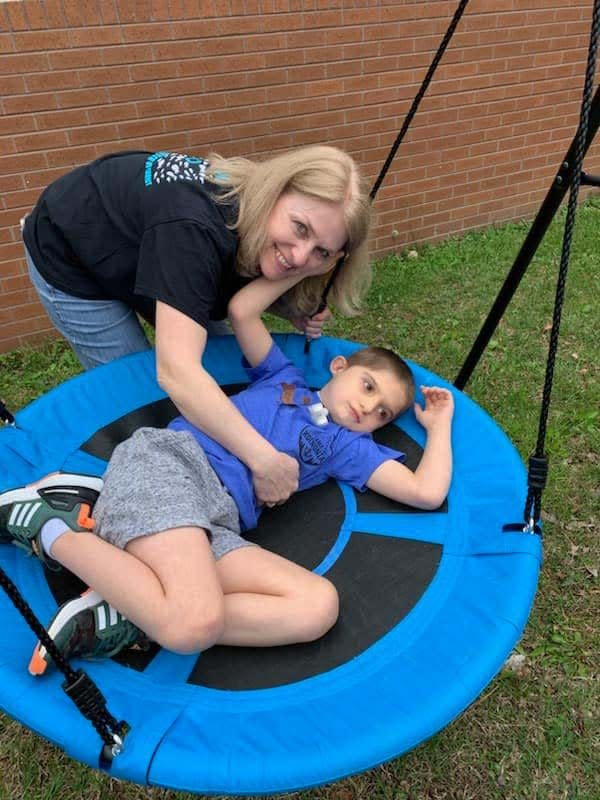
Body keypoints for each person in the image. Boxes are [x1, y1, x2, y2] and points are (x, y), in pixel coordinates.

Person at [0, 268, 455, 674]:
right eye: (368, 386)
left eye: (382, 413)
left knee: (317, 607)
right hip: (171, 468)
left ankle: (135, 611)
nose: (367, 407)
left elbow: (426, 492)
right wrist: (312, 268)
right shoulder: (283, 378)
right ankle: (49, 529)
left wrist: (439, 428)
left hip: (216, 525)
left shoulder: (347, 448)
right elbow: (242, 309)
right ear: (340, 367)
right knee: (191, 625)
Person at [22, 145, 372, 509]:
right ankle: (147, 497)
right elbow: (177, 374)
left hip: (150, 242)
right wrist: (263, 460)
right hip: (74, 253)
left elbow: (234, 284)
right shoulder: (194, 229)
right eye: (300, 228)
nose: (300, 256)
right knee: (145, 397)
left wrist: (292, 301)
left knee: (221, 379)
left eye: (322, 252)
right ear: (275, 191)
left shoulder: (245, 224)